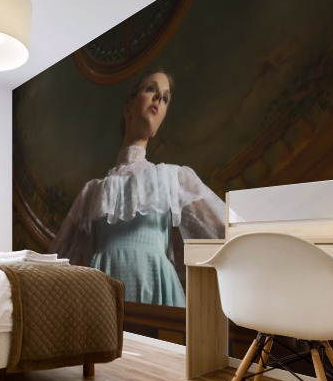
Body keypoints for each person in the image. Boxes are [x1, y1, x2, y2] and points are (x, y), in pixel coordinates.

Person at [49, 68, 225, 307]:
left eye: (165, 98)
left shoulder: (173, 177)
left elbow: (224, 230)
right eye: (151, 89)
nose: (158, 99)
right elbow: (53, 261)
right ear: (128, 107)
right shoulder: (92, 192)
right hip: (100, 297)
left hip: (157, 293)